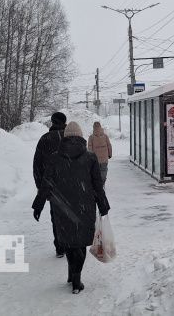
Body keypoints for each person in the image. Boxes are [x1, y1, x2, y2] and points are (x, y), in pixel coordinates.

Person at [32, 121, 110, 294]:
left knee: (68, 242)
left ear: (65, 137)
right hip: (84, 207)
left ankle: (72, 274)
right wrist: (103, 205)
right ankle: (76, 278)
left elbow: (46, 184)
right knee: (80, 243)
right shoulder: (90, 157)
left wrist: (38, 205)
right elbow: (97, 186)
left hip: (62, 207)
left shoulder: (54, 158)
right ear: (81, 136)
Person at [32, 111, 67, 257]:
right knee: (71, 214)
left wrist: (41, 187)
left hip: (51, 186)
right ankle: (71, 243)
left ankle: (60, 246)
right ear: (64, 122)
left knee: (56, 216)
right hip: (72, 184)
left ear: (52, 122)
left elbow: (37, 166)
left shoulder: (44, 139)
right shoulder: (70, 138)